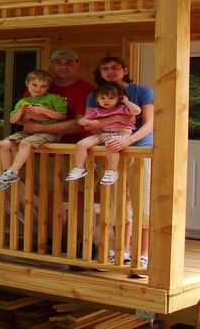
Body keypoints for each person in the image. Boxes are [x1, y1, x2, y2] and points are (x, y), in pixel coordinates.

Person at [86, 56, 154, 269]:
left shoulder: (141, 91)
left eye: (115, 68)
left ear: (125, 69)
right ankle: (122, 251)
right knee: (117, 203)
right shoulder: (96, 95)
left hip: (139, 149)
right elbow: (89, 124)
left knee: (141, 200)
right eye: (105, 68)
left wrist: (129, 139)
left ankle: (143, 252)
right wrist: (109, 130)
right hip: (111, 151)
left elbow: (149, 122)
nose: (110, 71)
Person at [0, 69, 67, 190]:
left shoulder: (54, 99)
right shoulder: (23, 101)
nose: (38, 89)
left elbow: (62, 115)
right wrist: (22, 111)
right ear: (27, 84)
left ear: (48, 87)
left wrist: (44, 110)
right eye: (34, 85)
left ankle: (13, 171)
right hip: (28, 131)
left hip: (48, 132)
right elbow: (12, 120)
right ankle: (7, 174)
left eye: (43, 86)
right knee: (4, 144)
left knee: (25, 143)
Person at [65, 83, 141, 185]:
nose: (106, 100)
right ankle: (79, 168)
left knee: (110, 145)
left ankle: (112, 170)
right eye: (103, 98)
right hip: (104, 134)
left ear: (119, 99)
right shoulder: (97, 111)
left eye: (111, 98)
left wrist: (126, 101)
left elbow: (137, 111)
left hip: (121, 134)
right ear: (97, 100)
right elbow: (81, 121)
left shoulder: (123, 108)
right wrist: (87, 122)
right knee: (81, 144)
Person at [19, 49, 94, 144]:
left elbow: (81, 123)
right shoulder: (39, 86)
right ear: (51, 63)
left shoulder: (87, 89)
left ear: (77, 64)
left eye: (69, 63)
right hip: (37, 146)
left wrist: (40, 128)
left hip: (73, 148)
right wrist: (26, 119)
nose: (63, 66)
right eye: (58, 63)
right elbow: (20, 117)